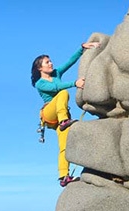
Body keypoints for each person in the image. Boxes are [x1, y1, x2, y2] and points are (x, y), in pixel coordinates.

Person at [32, 42, 100, 187]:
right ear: (40, 68)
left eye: (50, 61)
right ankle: (64, 121)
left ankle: (64, 176)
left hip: (61, 117)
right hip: (50, 114)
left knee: (64, 146)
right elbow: (55, 87)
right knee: (62, 92)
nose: (50, 63)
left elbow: (69, 62)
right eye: (47, 62)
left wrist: (82, 48)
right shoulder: (40, 83)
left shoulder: (56, 73)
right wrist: (75, 83)